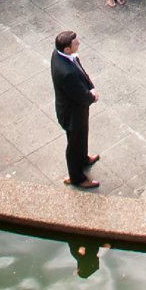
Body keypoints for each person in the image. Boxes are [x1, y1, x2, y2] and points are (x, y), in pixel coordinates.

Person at [50, 31, 100, 189]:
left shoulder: (61, 56)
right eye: (76, 43)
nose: (79, 44)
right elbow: (79, 95)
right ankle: (77, 177)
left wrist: (90, 86)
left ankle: (84, 159)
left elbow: (80, 71)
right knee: (74, 144)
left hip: (75, 110)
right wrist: (92, 97)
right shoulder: (67, 73)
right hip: (73, 113)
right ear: (67, 49)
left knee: (81, 137)